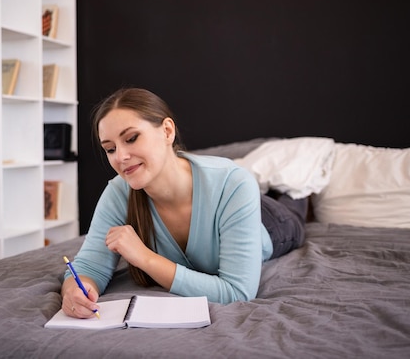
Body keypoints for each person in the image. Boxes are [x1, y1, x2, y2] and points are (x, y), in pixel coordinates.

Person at [61, 88, 306, 318]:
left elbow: (237, 292)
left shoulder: (234, 183)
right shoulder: (118, 192)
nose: (121, 157)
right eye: (110, 149)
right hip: (236, 202)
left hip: (272, 221)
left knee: (294, 198)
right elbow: (89, 266)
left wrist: (145, 258)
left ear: (167, 131)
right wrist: (75, 290)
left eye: (132, 138)